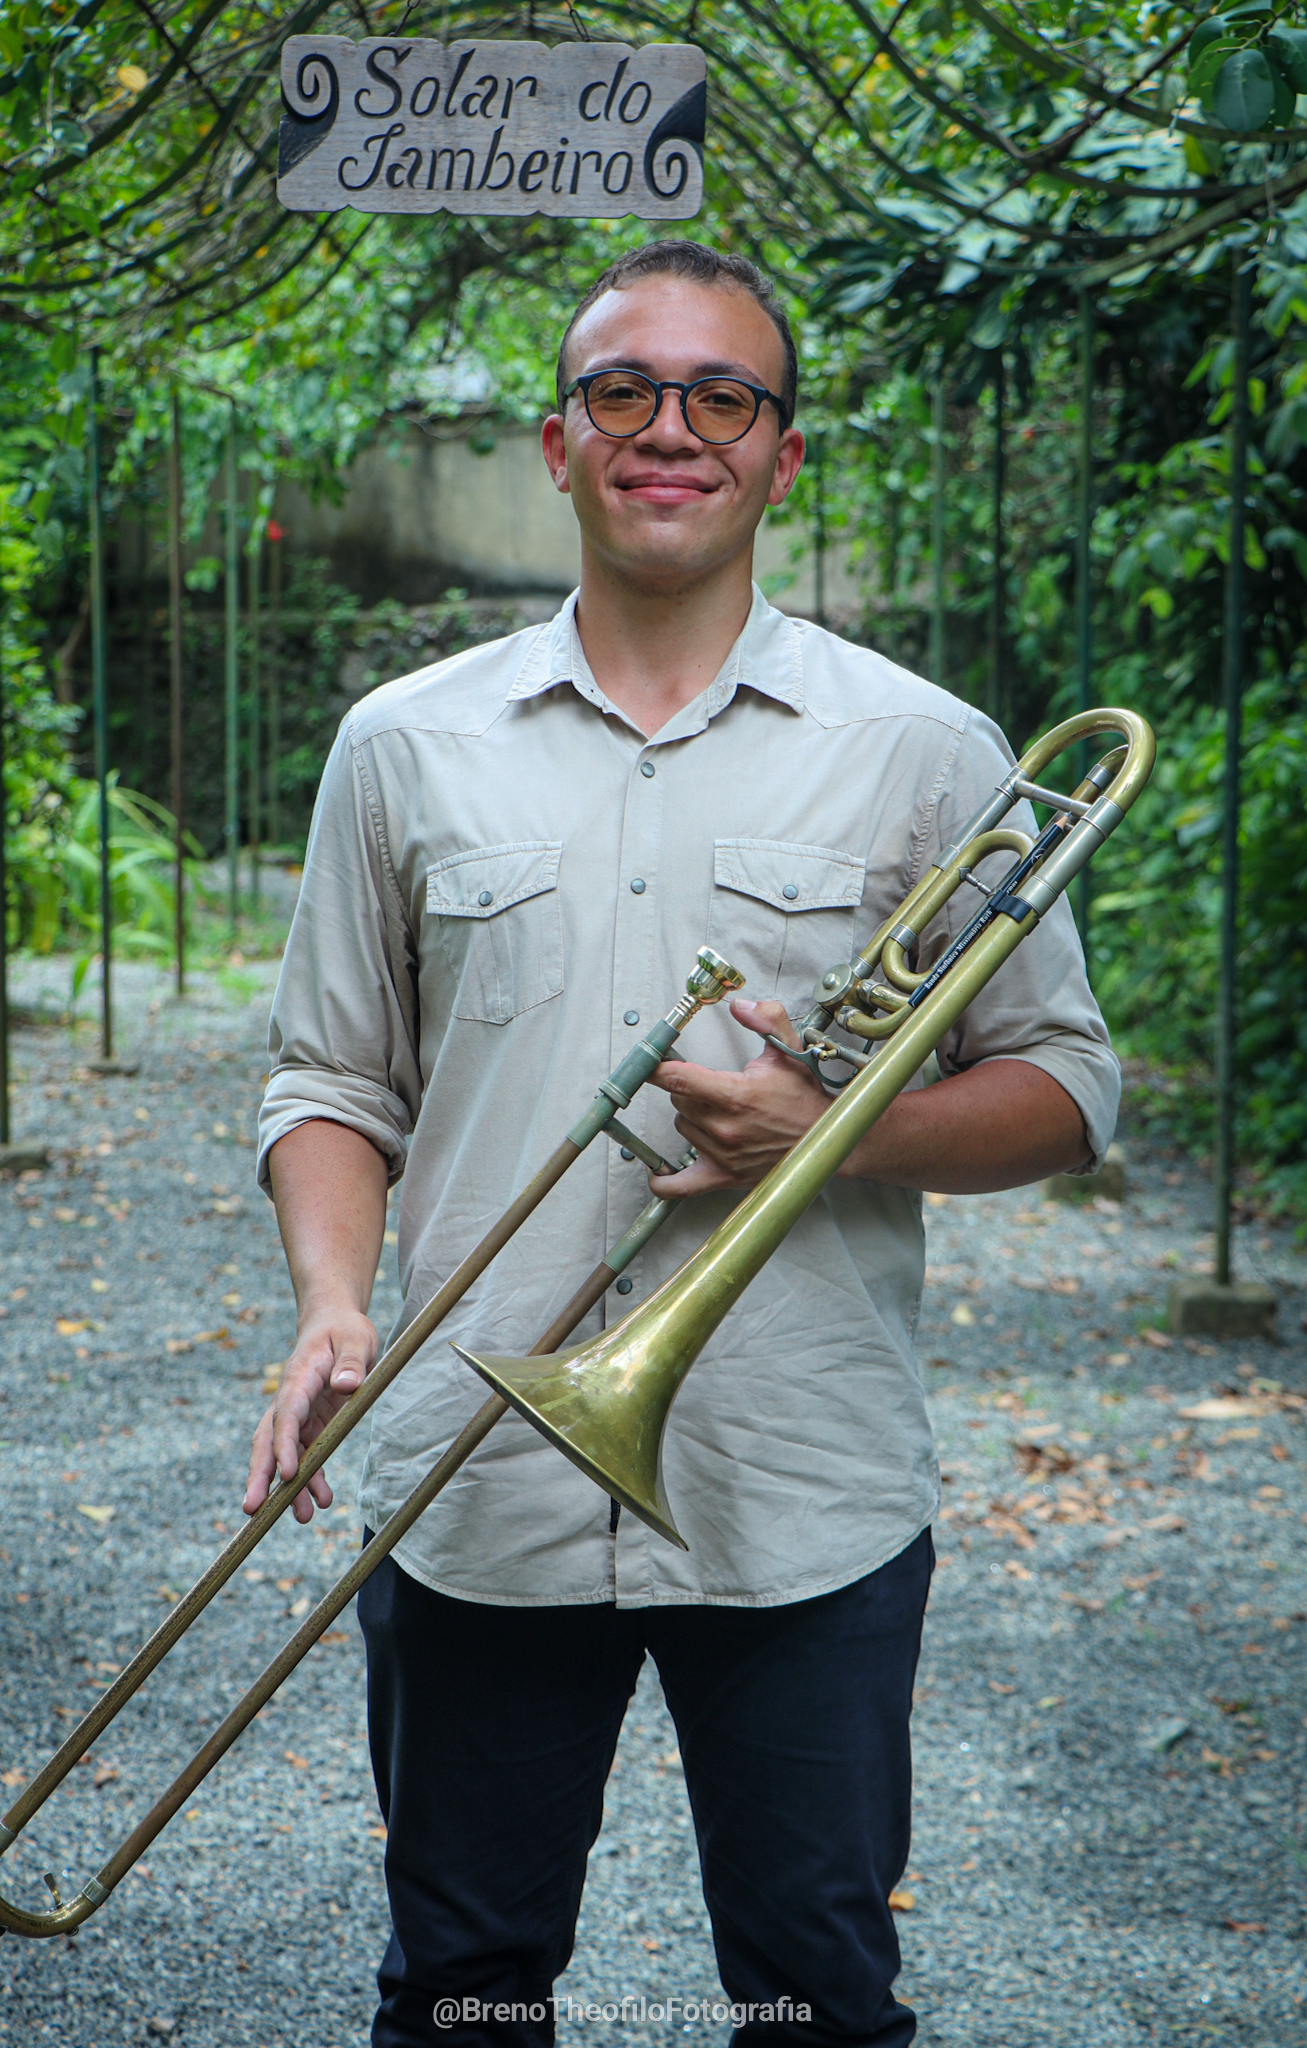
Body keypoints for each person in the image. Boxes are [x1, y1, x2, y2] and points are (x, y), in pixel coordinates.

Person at [248, 241, 1119, 2047]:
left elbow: (1062, 1089)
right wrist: (333, 1299)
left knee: (816, 1991)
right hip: (473, 1472)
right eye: (624, 393)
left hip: (797, 1481)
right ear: (557, 443)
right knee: (465, 1990)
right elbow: (331, 1079)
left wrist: (835, 1125)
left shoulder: (923, 750)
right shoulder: (402, 748)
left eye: (721, 396)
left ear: (782, 455)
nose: (672, 429)